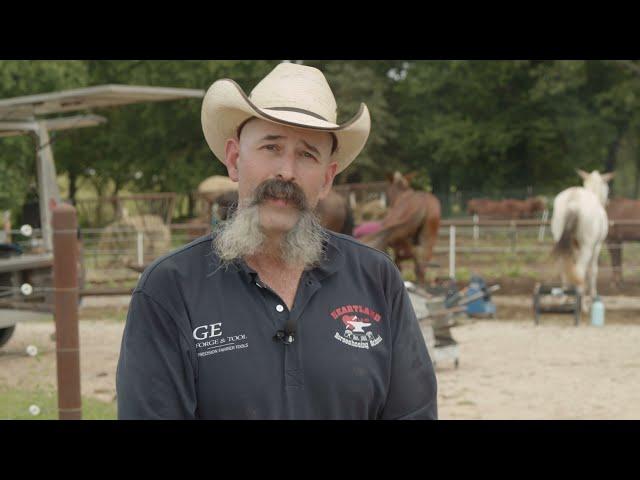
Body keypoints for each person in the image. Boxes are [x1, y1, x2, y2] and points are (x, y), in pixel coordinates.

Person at [116, 62, 437, 419]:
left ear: (327, 178)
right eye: (271, 147)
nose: (286, 171)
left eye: (307, 154)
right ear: (235, 160)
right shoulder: (170, 288)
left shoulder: (376, 279)